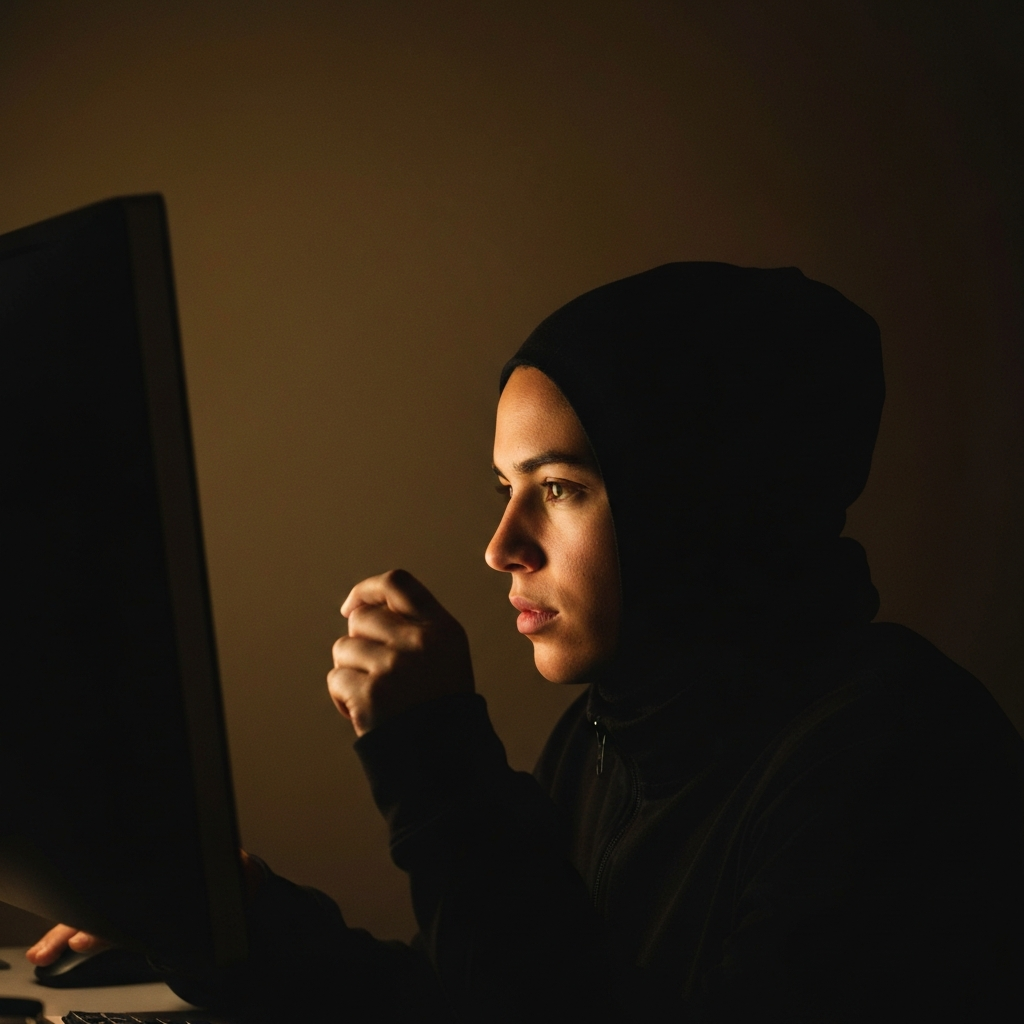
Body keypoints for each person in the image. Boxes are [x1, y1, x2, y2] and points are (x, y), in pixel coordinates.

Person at [30, 263, 1024, 1020]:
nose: (502, 546)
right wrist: (219, 913)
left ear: (702, 501)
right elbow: (487, 994)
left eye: (558, 487)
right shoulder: (615, 732)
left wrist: (437, 770)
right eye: (505, 489)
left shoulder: (897, 753)